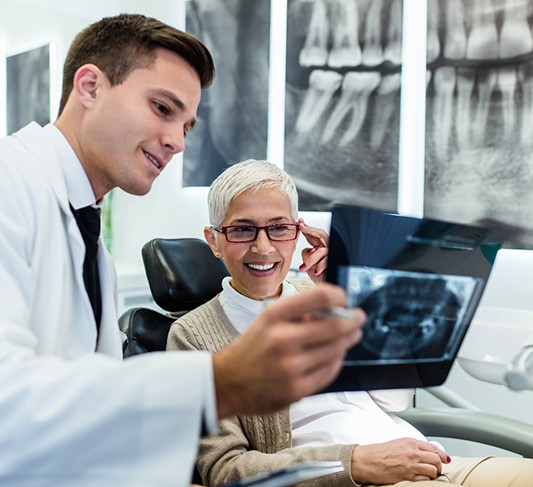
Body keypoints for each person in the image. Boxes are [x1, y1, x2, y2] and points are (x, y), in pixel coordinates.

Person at [0, 14, 366, 486]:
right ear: (89, 86)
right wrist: (218, 383)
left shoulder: (92, 247)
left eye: (187, 126)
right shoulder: (10, 186)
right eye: (161, 108)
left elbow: (96, 429)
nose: (176, 141)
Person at [167, 159, 533, 487]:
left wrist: (349, 298)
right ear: (214, 240)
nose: (263, 247)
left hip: (423, 458)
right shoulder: (193, 335)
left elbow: (395, 401)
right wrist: (355, 463)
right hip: (349, 479)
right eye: (242, 230)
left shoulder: (320, 294)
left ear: (298, 233)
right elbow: (226, 470)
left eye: (279, 228)